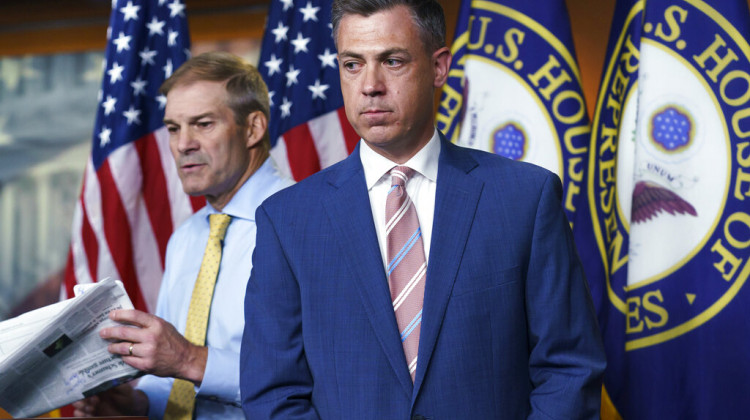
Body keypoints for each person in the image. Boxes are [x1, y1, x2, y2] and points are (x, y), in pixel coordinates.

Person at [240, 0, 606, 418]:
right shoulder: (287, 220)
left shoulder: (526, 198)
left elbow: (568, 369)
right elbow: (274, 394)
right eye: (352, 64)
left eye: (392, 61)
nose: (370, 85)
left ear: (439, 68)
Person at [73, 51, 293, 418]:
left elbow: (314, 376)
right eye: (174, 128)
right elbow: (170, 378)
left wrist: (189, 358)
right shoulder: (187, 237)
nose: (183, 144)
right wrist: (137, 405)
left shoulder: (305, 223)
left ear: (253, 128)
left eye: (203, 124)